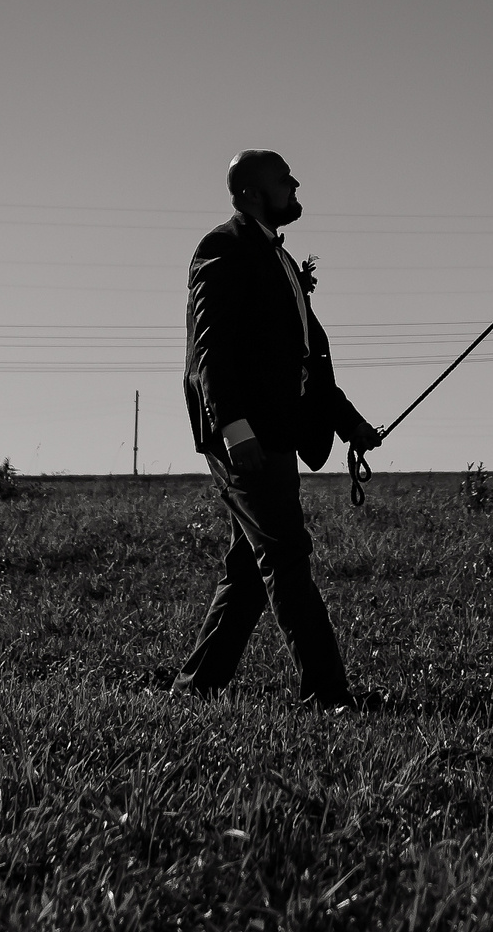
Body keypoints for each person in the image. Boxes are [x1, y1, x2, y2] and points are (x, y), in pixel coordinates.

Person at [175, 149, 387, 709]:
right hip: (243, 437)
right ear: (248, 192)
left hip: (274, 433)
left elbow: (304, 363)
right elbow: (210, 349)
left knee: (250, 570)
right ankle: (327, 692)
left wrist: (351, 423)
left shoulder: (283, 263)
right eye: (283, 179)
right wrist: (234, 429)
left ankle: (197, 688)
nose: (295, 184)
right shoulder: (223, 247)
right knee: (287, 554)